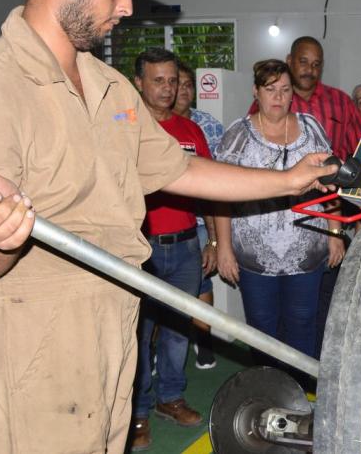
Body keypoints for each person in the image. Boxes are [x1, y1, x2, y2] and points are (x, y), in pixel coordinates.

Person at [0, 0, 336, 451]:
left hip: (115, 318)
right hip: (30, 340)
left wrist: (287, 181)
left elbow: (182, 168)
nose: (127, 8)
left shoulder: (110, 88)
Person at [215, 59, 345, 363]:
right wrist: (223, 246)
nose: (278, 97)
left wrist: (336, 233)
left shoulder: (311, 127)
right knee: (262, 330)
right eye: (270, 89)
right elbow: (220, 195)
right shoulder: (239, 134)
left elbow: (332, 179)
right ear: (256, 92)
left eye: (285, 90)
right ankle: (268, 394)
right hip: (255, 256)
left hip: (307, 251)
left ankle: (299, 394)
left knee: (303, 324)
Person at [131, 48, 216, 449]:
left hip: (184, 247)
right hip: (139, 249)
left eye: (172, 81)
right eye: (158, 80)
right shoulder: (122, 127)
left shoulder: (191, 130)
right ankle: (139, 411)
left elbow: (213, 190)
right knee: (138, 332)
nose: (167, 88)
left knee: (178, 331)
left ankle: (171, 398)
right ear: (139, 83)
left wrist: (214, 240)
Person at [173, 60, 222, 370]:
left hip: (202, 221)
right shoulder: (149, 124)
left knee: (202, 283)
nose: (184, 91)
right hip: (163, 221)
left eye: (189, 85)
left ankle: (203, 341)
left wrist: (216, 240)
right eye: (179, 84)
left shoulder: (209, 124)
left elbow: (219, 177)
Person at [249, 36, 361, 160]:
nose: (310, 70)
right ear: (289, 60)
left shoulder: (341, 102)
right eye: (303, 62)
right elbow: (251, 146)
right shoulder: (272, 101)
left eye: (316, 64)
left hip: (332, 177)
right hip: (282, 177)